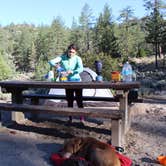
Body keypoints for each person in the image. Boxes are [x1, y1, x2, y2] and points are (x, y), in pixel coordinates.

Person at [48, 44, 84, 123]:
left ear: (75, 52)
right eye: (70, 51)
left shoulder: (78, 58)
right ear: (67, 51)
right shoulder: (62, 57)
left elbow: (81, 68)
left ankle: (81, 118)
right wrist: (58, 67)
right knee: (69, 100)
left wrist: (73, 71)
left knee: (79, 100)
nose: (71, 53)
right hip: (67, 82)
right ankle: (70, 118)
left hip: (77, 81)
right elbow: (51, 61)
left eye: (73, 52)